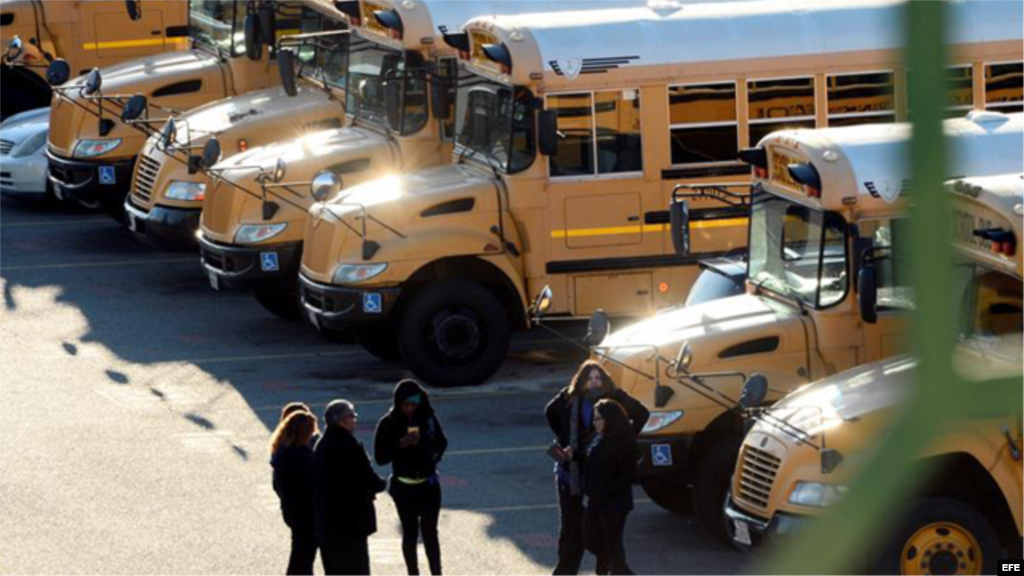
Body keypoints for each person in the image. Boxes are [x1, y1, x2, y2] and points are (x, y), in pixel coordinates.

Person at [545, 360, 649, 576]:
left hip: (601, 478)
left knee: (603, 535)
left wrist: (622, 437)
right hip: (571, 476)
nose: (594, 383)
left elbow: (642, 413)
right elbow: (550, 412)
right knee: (572, 532)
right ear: (580, 381)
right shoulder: (569, 397)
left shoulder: (614, 398)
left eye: (598, 378)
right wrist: (566, 438)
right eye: (589, 378)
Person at [374, 379, 448, 576]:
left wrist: (430, 451)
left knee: (430, 532)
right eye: (405, 405)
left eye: (413, 405)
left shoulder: (428, 419)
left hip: (429, 485)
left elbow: (442, 443)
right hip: (404, 487)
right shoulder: (388, 423)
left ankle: (436, 572)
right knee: (410, 533)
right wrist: (400, 444)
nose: (409, 409)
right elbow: (380, 457)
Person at [314, 399, 387, 576]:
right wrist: (382, 484)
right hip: (350, 525)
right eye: (352, 417)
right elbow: (367, 479)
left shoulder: (321, 445)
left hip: (327, 524)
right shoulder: (349, 446)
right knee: (356, 569)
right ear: (342, 421)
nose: (355, 420)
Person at [583, 400, 639, 576]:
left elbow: (627, 476)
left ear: (609, 419)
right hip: (595, 499)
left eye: (598, 419)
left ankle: (613, 571)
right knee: (591, 539)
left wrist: (606, 493)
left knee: (613, 544)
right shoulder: (597, 438)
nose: (594, 423)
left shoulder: (623, 442)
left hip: (614, 503)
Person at [270, 409, 320, 576]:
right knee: (303, 558)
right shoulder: (303, 457)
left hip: (293, 511)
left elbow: (277, 485)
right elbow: (313, 485)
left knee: (301, 555)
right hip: (306, 514)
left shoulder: (283, 453)